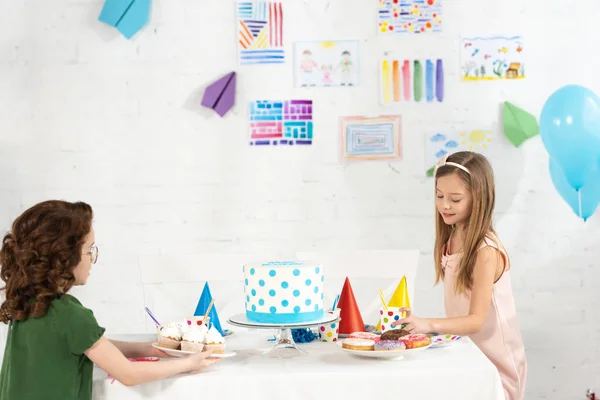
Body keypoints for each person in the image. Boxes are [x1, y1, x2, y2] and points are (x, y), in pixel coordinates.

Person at [0, 200, 218, 400]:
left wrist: (148, 349)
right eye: (88, 251)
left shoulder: (29, 303)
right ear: (63, 257)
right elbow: (128, 374)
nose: (92, 259)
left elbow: (88, 344)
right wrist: (189, 363)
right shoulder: (70, 314)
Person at [392, 151, 527, 400]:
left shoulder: (486, 252)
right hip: (468, 356)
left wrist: (428, 324)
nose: (444, 205)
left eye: (455, 199)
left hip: (495, 369)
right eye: (439, 195)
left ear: (479, 198)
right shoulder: (452, 238)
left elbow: (475, 320)